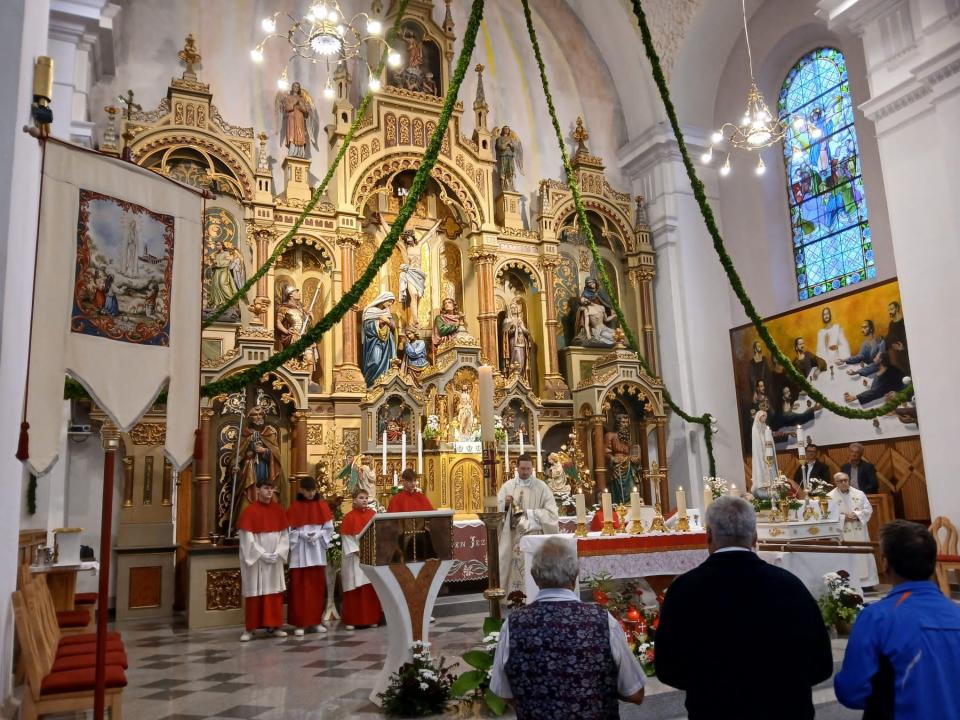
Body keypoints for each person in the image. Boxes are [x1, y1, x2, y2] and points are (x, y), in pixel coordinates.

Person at [655, 497, 832, 719]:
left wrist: (709, 685)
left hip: (714, 710)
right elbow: (821, 664)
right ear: (755, 537)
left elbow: (668, 668)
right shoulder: (790, 586)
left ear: (708, 536)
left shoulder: (684, 589)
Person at [489, 537, 645, 719]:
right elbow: (635, 693)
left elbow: (503, 691)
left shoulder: (513, 624)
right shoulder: (603, 621)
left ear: (534, 575)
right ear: (576, 574)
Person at [835, 520, 960, 718]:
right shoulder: (956, 613)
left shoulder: (876, 618)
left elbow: (851, 691)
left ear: (885, 563)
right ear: (932, 562)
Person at [497, 454, 559, 595]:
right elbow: (497, 510)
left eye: (528, 469)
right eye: (522, 468)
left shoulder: (542, 487)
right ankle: (511, 598)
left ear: (532, 468)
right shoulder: (508, 486)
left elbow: (552, 514)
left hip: (534, 536)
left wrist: (530, 514)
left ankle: (534, 596)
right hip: (513, 537)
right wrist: (505, 505)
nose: (525, 472)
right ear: (517, 468)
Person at [237, 478, 289, 642]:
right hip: (257, 561)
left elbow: (284, 536)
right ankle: (250, 629)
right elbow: (247, 539)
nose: (269, 491)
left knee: (274, 593)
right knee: (254, 593)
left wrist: (278, 552)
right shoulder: (250, 511)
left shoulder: (278, 510)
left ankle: (275, 626)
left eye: (271, 488)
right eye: (266, 488)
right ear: (258, 490)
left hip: (274, 558)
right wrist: (261, 554)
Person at [286, 477, 334, 636]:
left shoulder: (322, 505)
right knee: (299, 589)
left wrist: (319, 534)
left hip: (316, 551)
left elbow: (329, 528)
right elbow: (289, 530)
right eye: (308, 490)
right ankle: (300, 623)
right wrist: (301, 535)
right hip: (300, 551)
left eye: (313, 490)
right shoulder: (295, 507)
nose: (311, 493)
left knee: (316, 588)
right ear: (301, 490)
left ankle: (315, 621)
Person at [340, 488, 382, 630]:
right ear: (354, 500)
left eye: (365, 498)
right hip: (355, 558)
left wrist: (371, 550)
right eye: (361, 498)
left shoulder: (373, 515)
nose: (364, 500)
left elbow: (378, 534)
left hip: (370, 557)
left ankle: (372, 618)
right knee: (354, 586)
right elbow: (347, 539)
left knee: (370, 586)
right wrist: (359, 552)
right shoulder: (349, 517)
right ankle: (353, 620)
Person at [827, 472, 878, 587]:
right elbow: (827, 515)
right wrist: (843, 518)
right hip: (842, 532)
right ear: (835, 482)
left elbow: (868, 509)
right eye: (840, 481)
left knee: (863, 554)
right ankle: (847, 584)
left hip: (859, 529)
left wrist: (856, 515)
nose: (844, 483)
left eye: (845, 480)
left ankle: (867, 584)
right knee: (845, 557)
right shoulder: (829, 497)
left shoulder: (859, 494)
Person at [361, 292, 397, 387]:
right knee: (375, 361)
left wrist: (387, 321)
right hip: (374, 342)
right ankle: (371, 384)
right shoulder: (369, 311)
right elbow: (367, 328)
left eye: (392, 302)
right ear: (383, 299)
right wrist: (380, 322)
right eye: (389, 301)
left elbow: (393, 326)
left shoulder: (387, 313)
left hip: (387, 343)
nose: (390, 304)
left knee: (388, 363)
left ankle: (384, 383)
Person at [502, 301, 533, 382]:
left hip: (522, 343)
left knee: (522, 361)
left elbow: (526, 332)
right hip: (514, 343)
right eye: (512, 308)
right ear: (509, 310)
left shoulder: (520, 320)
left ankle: (521, 378)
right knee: (516, 359)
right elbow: (506, 334)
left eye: (515, 307)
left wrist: (521, 327)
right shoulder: (508, 320)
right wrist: (514, 327)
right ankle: (513, 378)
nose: (514, 309)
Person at [750, 410, 778, 495]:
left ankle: (773, 484)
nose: (764, 418)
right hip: (761, 453)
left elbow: (770, 440)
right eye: (763, 416)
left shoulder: (766, 427)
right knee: (761, 467)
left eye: (765, 416)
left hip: (768, 452)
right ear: (759, 417)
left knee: (771, 468)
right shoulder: (755, 428)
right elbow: (757, 442)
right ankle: (763, 485)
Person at [884, 300, 910, 375]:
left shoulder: (904, 322)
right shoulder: (891, 324)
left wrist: (903, 348)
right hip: (894, 352)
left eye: (891, 309)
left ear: (897, 309)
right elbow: (889, 338)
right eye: (889, 310)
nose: (890, 312)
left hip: (904, 352)